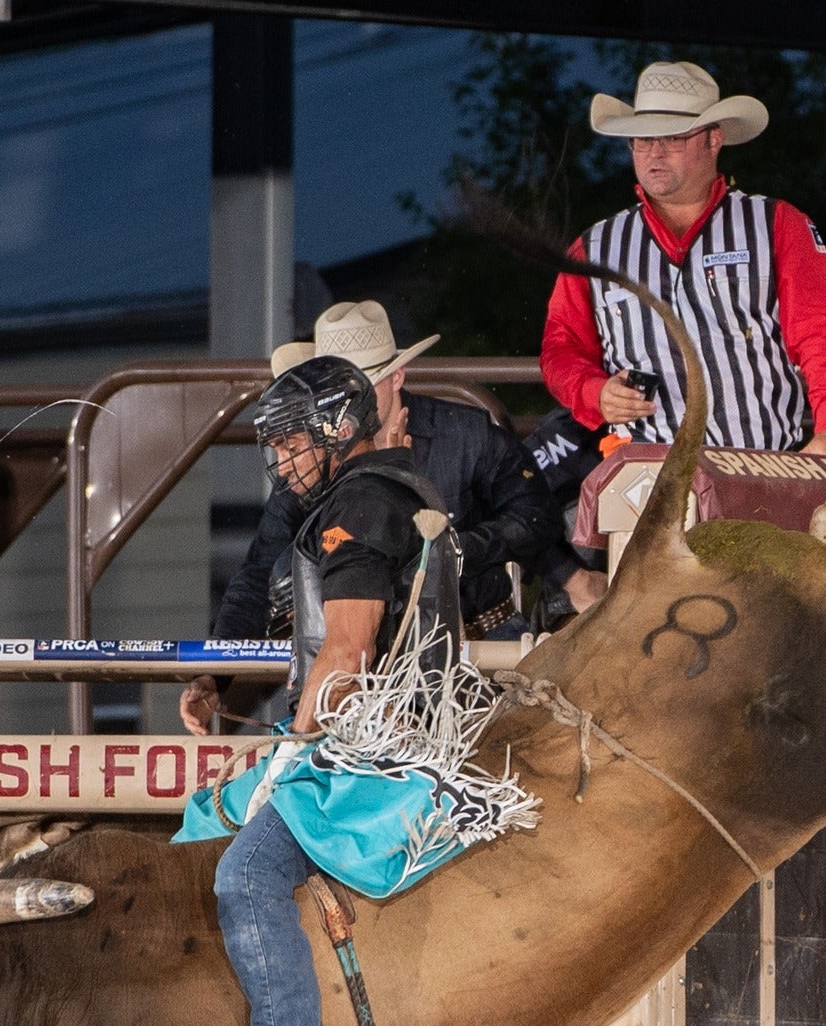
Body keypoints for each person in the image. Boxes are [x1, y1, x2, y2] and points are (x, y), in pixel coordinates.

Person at [204, 356, 459, 1026]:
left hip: (374, 751)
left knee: (243, 875)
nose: (280, 460)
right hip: (399, 738)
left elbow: (347, 650)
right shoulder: (390, 491)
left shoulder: (357, 504)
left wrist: (290, 751)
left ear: (338, 428)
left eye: (290, 441)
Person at [184, 301, 582, 733]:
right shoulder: (315, 462)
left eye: (358, 387)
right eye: (334, 393)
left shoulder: (464, 434)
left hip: (478, 640)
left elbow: (536, 515)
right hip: (373, 662)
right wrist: (216, 670)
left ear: (397, 377)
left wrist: (450, 553)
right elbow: (259, 571)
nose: (345, 409)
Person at [541, 60, 826, 461]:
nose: (654, 154)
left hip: (759, 462)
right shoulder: (593, 247)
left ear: (714, 139)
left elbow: (822, 332)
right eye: (642, 141)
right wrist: (595, 392)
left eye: (673, 138)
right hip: (643, 470)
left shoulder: (777, 224)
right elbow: (561, 348)